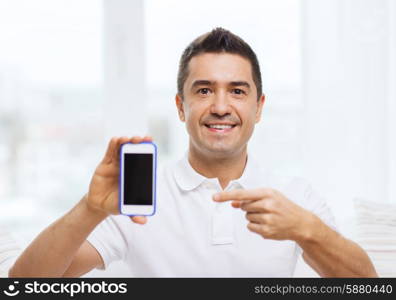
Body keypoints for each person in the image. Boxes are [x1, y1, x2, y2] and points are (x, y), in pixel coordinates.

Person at [9, 28, 377, 277]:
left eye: (237, 91)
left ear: (259, 107)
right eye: (203, 90)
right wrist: (89, 209)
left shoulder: (296, 197)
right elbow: (25, 283)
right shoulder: (138, 201)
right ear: (180, 106)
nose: (220, 106)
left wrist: (306, 230)